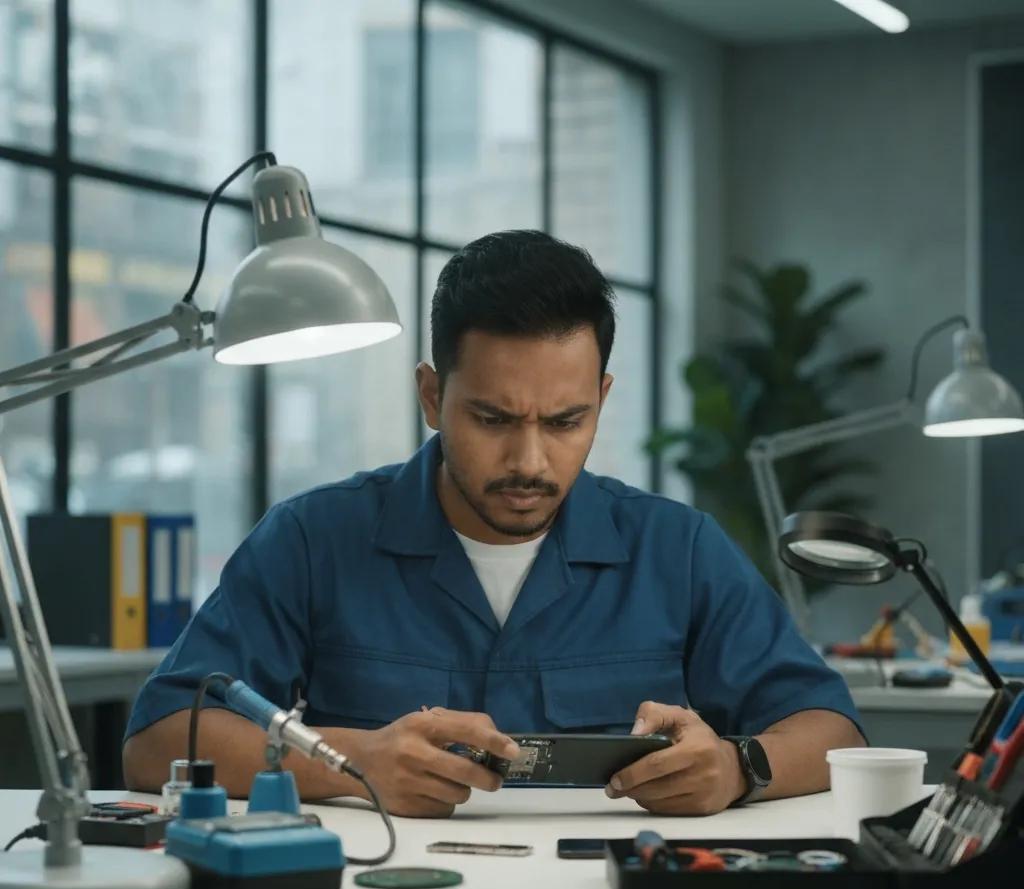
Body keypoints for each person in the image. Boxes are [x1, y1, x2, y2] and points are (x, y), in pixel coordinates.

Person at [123, 230, 864, 818]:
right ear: (430, 395)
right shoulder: (314, 540)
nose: (530, 461)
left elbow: (833, 730)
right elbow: (159, 742)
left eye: (567, 420)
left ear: (602, 399)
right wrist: (354, 762)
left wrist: (739, 768)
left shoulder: (679, 550)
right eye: (491, 418)